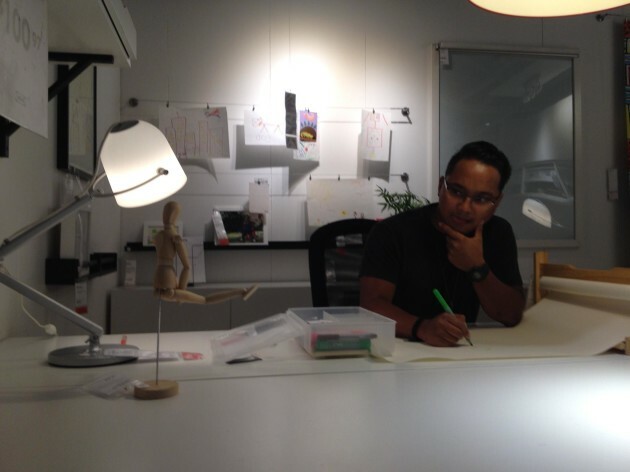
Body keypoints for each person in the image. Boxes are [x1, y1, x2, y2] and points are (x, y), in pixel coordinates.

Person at [360, 141, 525, 347]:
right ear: (441, 186)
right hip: (399, 349)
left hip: (461, 352)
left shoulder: (498, 233)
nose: (465, 208)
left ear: (497, 202)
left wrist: (477, 268)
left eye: (482, 199)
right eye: (456, 191)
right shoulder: (393, 232)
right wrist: (422, 327)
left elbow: (511, 315)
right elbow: (370, 306)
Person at [153, 201, 258, 304]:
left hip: (157, 283)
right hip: (169, 282)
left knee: (204, 300)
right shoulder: (175, 237)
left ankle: (241, 291)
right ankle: (241, 291)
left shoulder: (158, 236)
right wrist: (182, 290)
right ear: (175, 216)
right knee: (205, 300)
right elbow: (187, 267)